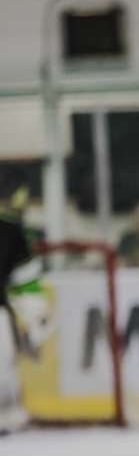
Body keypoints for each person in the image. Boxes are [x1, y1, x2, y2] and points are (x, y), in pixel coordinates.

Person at [0, 178, 43, 435]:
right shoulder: (12, 230)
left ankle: (6, 413)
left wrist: (33, 318)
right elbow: (27, 281)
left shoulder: (11, 231)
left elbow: (26, 279)